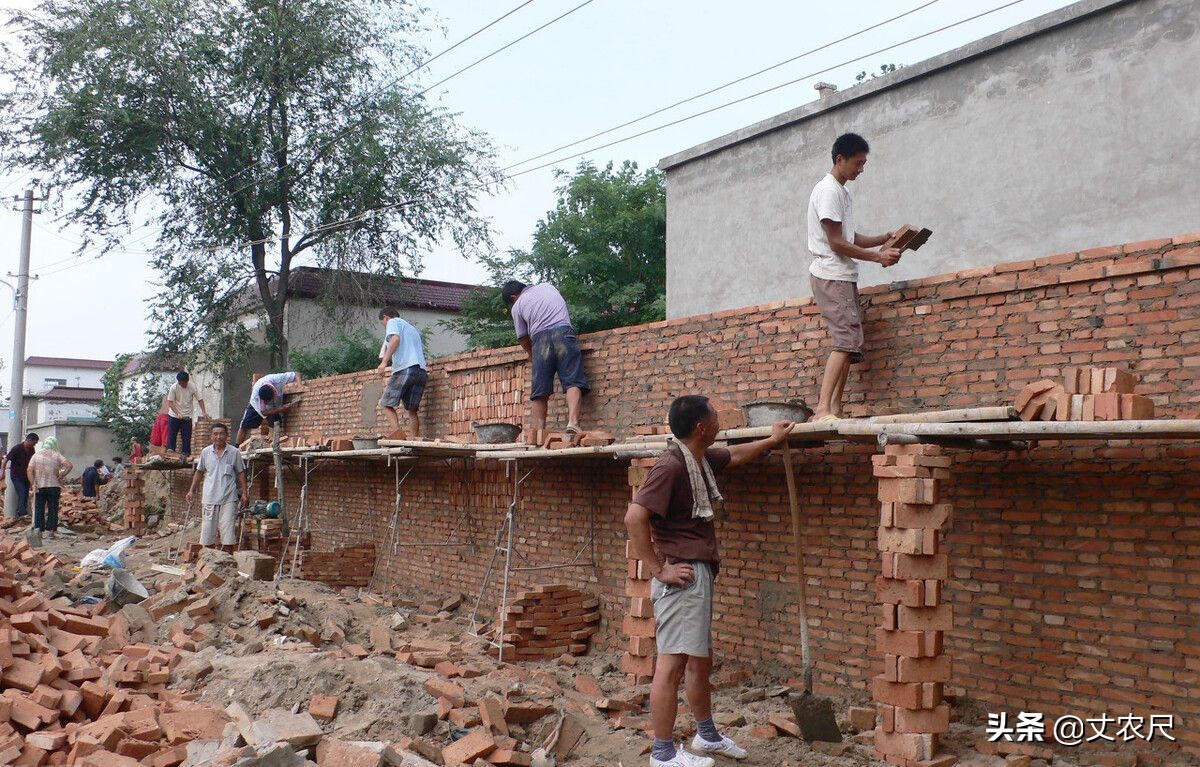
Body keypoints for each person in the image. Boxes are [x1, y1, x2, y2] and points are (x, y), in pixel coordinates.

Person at [625, 396, 795, 767]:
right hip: (681, 576)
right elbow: (634, 517)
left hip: (696, 574)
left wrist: (771, 440)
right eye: (716, 415)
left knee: (700, 661)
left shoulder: (698, 458)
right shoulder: (670, 467)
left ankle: (707, 736)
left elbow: (735, 456)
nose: (721, 419)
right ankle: (663, 754)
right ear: (702, 427)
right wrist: (659, 569)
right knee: (671, 664)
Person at [807, 132, 902, 421]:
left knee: (850, 345)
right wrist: (878, 257)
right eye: (858, 163)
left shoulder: (842, 192)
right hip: (831, 275)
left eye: (864, 163)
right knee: (845, 341)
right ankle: (823, 408)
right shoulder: (828, 191)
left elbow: (849, 237)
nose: (861, 169)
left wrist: (883, 239)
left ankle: (835, 408)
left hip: (842, 276)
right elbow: (836, 243)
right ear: (840, 159)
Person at [502, 281, 589, 435]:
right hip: (564, 333)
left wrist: (531, 354)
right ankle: (573, 423)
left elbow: (522, 337)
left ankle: (538, 432)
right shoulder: (548, 286)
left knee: (540, 389)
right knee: (572, 380)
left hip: (540, 340)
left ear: (514, 297)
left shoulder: (517, 306)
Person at [186, 423, 249, 554]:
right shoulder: (205, 452)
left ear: (226, 436)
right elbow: (199, 472)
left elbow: (241, 472)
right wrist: (191, 490)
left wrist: (245, 492)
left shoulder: (234, 452)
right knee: (208, 533)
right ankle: (209, 562)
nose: (218, 436)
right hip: (209, 497)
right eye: (215, 434)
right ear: (211, 436)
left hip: (229, 498)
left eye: (221, 434)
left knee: (228, 533)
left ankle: (226, 564)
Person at [375, 307, 428, 438]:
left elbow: (395, 340)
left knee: (385, 404)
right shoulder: (411, 329)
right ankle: (414, 440)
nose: (385, 326)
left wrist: (384, 362)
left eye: (383, 323)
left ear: (386, 317)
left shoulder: (393, 322)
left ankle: (399, 437)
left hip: (405, 369)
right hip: (421, 371)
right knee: (412, 411)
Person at [235, 371, 303, 445]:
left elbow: (296, 374)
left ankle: (272, 439)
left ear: (274, 390)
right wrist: (281, 409)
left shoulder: (277, 379)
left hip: (275, 402)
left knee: (275, 419)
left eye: (272, 398)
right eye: (270, 400)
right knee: (245, 425)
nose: (272, 400)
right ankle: (237, 446)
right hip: (256, 406)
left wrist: (300, 386)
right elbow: (264, 412)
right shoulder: (257, 397)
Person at [28, 436, 72, 539]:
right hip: (54, 487)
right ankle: (51, 532)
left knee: (39, 508)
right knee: (53, 508)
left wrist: (32, 483)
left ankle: (39, 531)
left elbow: (29, 470)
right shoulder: (56, 455)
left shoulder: (36, 455)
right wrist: (62, 475)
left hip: (40, 486)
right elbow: (69, 465)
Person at [166, 371, 209, 457]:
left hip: (187, 416)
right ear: (178, 382)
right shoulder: (174, 388)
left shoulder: (192, 387)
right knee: (172, 434)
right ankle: (171, 452)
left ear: (187, 381)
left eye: (185, 383)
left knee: (186, 436)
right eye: (181, 383)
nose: (183, 385)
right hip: (174, 415)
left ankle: (186, 454)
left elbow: (200, 399)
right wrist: (177, 413)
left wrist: (204, 412)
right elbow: (170, 402)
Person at [2, 433, 39, 523]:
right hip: (16, 476)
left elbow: (33, 462)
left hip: (26, 475)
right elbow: (5, 460)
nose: (34, 445)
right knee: (22, 492)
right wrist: (2, 471)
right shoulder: (17, 448)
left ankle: (20, 514)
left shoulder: (31, 449)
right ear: (28, 440)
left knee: (25, 494)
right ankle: (22, 513)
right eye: (34, 443)